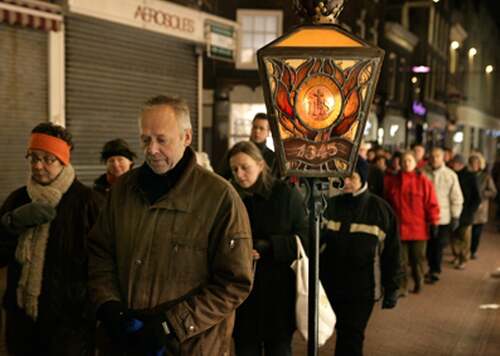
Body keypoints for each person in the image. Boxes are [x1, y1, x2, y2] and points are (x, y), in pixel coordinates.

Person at [87, 95, 254, 355]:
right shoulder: (122, 191)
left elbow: (234, 283)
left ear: (186, 137)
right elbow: (100, 252)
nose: (151, 149)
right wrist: (109, 305)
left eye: (161, 140)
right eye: (145, 139)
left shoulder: (220, 198)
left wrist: (170, 325)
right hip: (123, 344)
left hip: (188, 346)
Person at [0, 122, 101, 355]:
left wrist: (88, 308)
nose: (38, 166)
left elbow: (103, 264)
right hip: (22, 320)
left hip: (69, 326)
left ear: (64, 161)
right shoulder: (18, 200)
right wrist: (10, 223)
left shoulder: (88, 203)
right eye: (33, 157)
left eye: (48, 159)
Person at [228, 141, 308, 356]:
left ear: (261, 165)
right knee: (246, 348)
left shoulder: (285, 195)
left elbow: (306, 238)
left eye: (245, 167)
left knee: (279, 348)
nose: (239, 174)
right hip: (244, 293)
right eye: (234, 169)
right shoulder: (230, 197)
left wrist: (269, 246)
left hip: (278, 292)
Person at [320, 157, 401, 356]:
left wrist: (392, 287)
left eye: (352, 177)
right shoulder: (329, 206)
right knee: (328, 332)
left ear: (363, 178)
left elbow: (392, 253)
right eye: (342, 177)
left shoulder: (380, 211)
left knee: (352, 337)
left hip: (360, 289)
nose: (346, 182)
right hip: (329, 285)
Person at [384, 151, 440, 294]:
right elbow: (387, 204)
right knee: (400, 262)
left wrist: (434, 222)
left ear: (415, 163)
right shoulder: (392, 182)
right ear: (399, 163)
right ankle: (402, 287)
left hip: (418, 229)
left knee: (417, 261)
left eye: (409, 160)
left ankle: (418, 282)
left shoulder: (423, 182)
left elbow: (431, 203)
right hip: (399, 229)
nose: (406, 163)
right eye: (404, 161)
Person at [423, 148, 464, 283]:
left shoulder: (450, 175)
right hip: (425, 217)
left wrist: (455, 216)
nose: (435, 159)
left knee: (439, 245)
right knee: (429, 245)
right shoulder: (423, 173)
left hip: (443, 217)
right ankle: (430, 267)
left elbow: (456, 197)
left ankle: (435, 270)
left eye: (438, 156)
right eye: (433, 156)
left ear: (443, 158)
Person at [218, 113, 277, 179]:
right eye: (255, 127)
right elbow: (221, 176)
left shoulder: (272, 158)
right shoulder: (236, 151)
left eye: (261, 128)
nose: (257, 131)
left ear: (268, 132)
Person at [449, 154, 481, 269]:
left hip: (466, 212)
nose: (454, 165)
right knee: (454, 236)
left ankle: (463, 258)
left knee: (464, 238)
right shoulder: (452, 175)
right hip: (453, 211)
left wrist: (471, 211)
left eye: (456, 163)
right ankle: (457, 256)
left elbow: (477, 197)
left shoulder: (471, 177)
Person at [469, 153, 497, 259]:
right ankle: (465, 251)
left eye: (476, 163)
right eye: (472, 163)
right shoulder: (467, 175)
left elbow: (493, 191)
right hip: (469, 208)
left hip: (480, 209)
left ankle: (473, 250)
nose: (474, 165)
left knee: (476, 232)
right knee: (467, 232)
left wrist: (482, 194)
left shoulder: (486, 177)